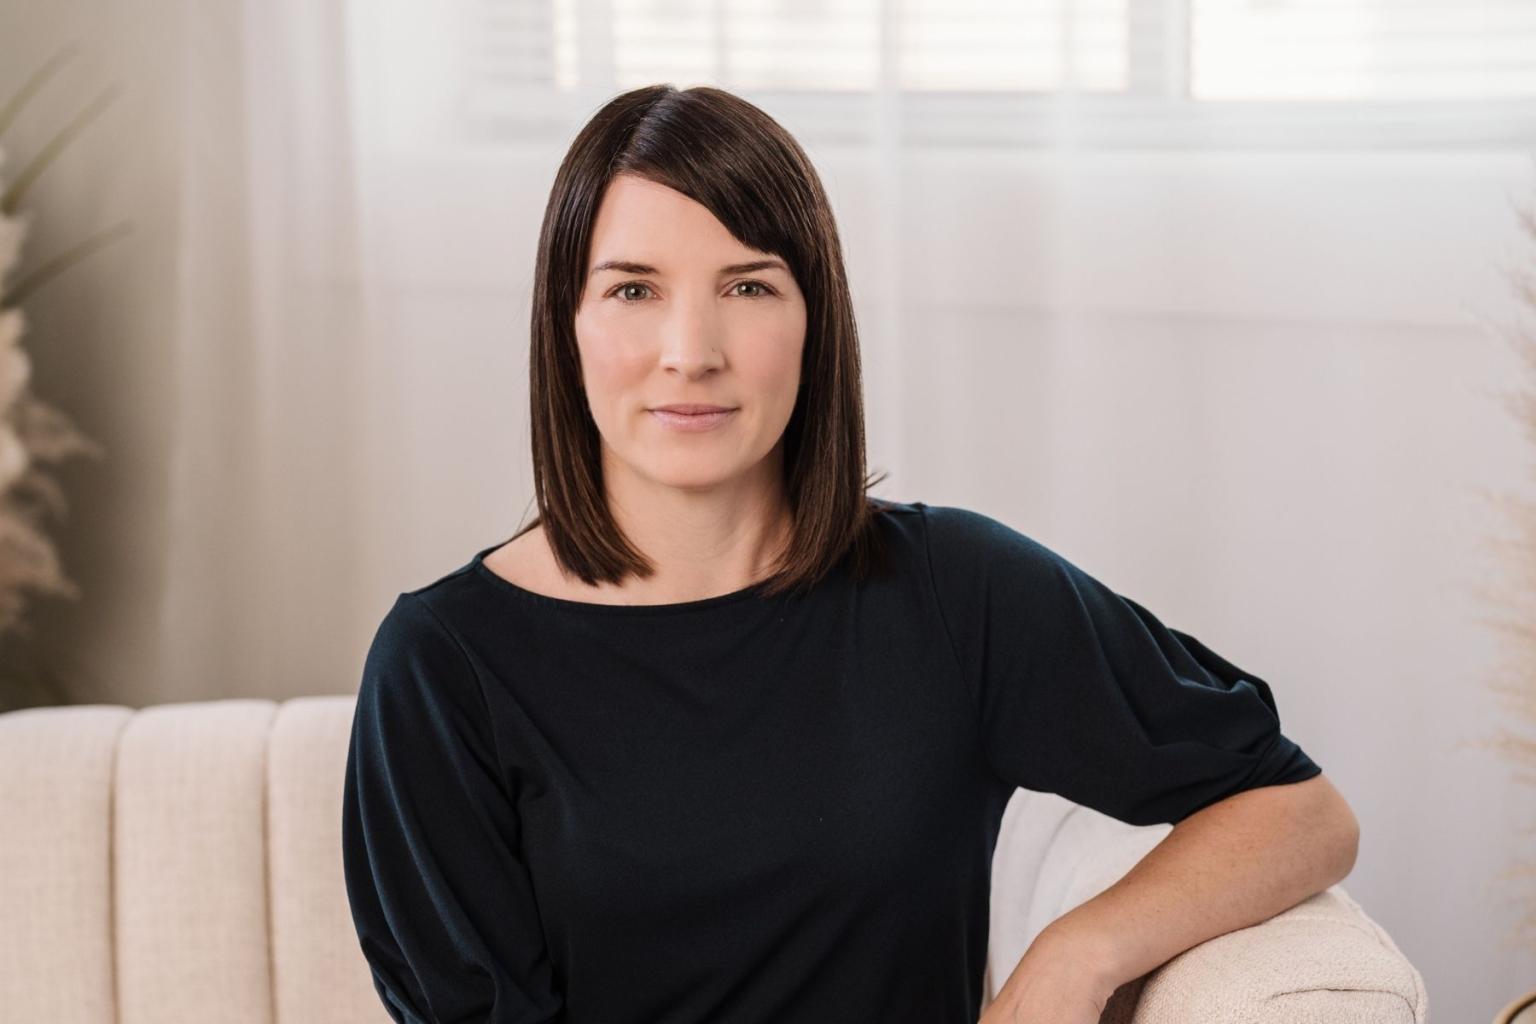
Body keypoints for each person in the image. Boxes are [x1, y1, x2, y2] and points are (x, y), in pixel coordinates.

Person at [340, 83, 1323, 1024]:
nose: (692, 348)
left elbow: (1297, 810)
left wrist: (1083, 949)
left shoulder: (952, 590)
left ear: (815, 320)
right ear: (568, 325)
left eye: (748, 284)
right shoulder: (441, 667)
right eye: (634, 287)